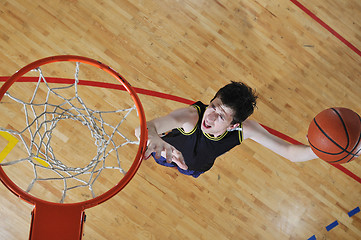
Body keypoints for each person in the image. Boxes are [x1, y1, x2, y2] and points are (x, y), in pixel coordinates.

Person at [135, 81, 319, 178]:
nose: (211, 116)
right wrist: (154, 139)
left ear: (234, 125)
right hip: (163, 151)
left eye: (222, 116)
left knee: (186, 169)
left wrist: (320, 151)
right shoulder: (190, 117)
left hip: (195, 166)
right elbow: (142, 129)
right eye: (214, 106)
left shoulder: (245, 130)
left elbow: (290, 153)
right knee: (163, 157)